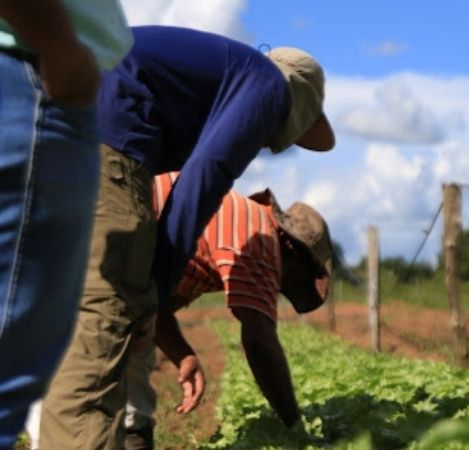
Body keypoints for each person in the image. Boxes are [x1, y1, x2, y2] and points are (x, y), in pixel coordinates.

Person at [39, 25, 335, 449]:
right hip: (101, 142)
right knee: (102, 333)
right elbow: (205, 179)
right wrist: (295, 428)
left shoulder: (229, 77)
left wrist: (163, 323)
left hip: (52, 125)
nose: (276, 145)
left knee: (76, 324)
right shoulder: (270, 89)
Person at [25, 173, 332, 450]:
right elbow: (259, 343)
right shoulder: (263, 242)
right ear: (295, 255)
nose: (283, 286)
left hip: (108, 249)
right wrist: (295, 428)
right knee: (75, 374)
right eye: (297, 279)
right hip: (89, 245)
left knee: (130, 355)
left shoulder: (239, 224)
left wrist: (183, 354)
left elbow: (150, 299)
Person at [0, 1, 132, 447]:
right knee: (10, 358)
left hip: (36, 60)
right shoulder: (262, 87)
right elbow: (206, 175)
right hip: (30, 69)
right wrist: (59, 45)